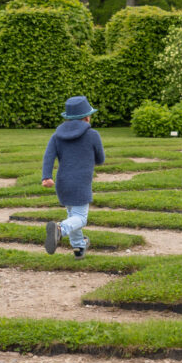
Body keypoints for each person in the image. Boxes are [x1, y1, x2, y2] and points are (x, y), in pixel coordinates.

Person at [42, 96, 105, 259]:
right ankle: (60, 229)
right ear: (87, 117)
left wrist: (46, 177)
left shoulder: (56, 136)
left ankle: (79, 247)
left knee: (73, 215)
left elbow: (48, 157)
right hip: (81, 183)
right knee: (81, 218)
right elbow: (101, 159)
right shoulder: (92, 135)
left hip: (62, 183)